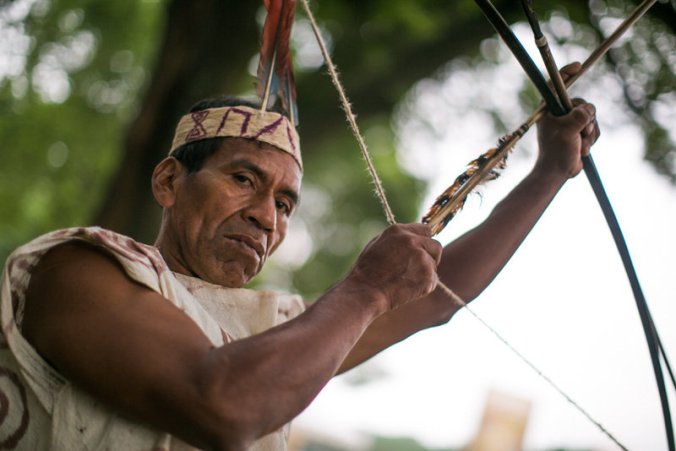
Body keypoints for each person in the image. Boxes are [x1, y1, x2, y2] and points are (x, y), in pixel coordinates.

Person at [0, 62, 599, 450]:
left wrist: (549, 171)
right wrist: (364, 289)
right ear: (167, 182)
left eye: (286, 203)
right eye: (243, 178)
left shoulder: (267, 333)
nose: (267, 215)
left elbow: (435, 299)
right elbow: (223, 406)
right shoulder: (75, 268)